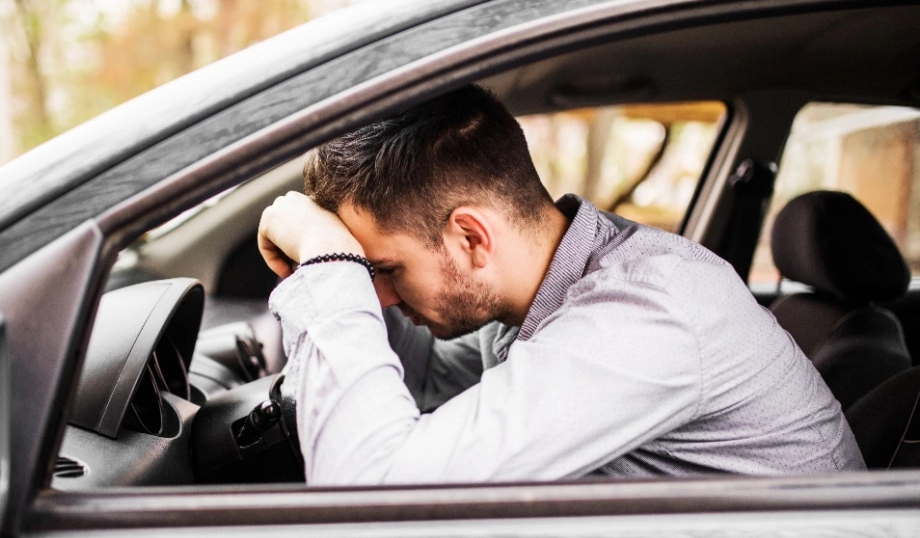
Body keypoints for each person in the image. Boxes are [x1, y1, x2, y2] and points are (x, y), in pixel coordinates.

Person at [257, 84, 864, 485]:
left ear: (471, 239)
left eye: (385, 271)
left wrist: (328, 270)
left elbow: (367, 498)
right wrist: (339, 265)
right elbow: (423, 381)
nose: (379, 296)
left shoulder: (648, 311)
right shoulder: (544, 289)